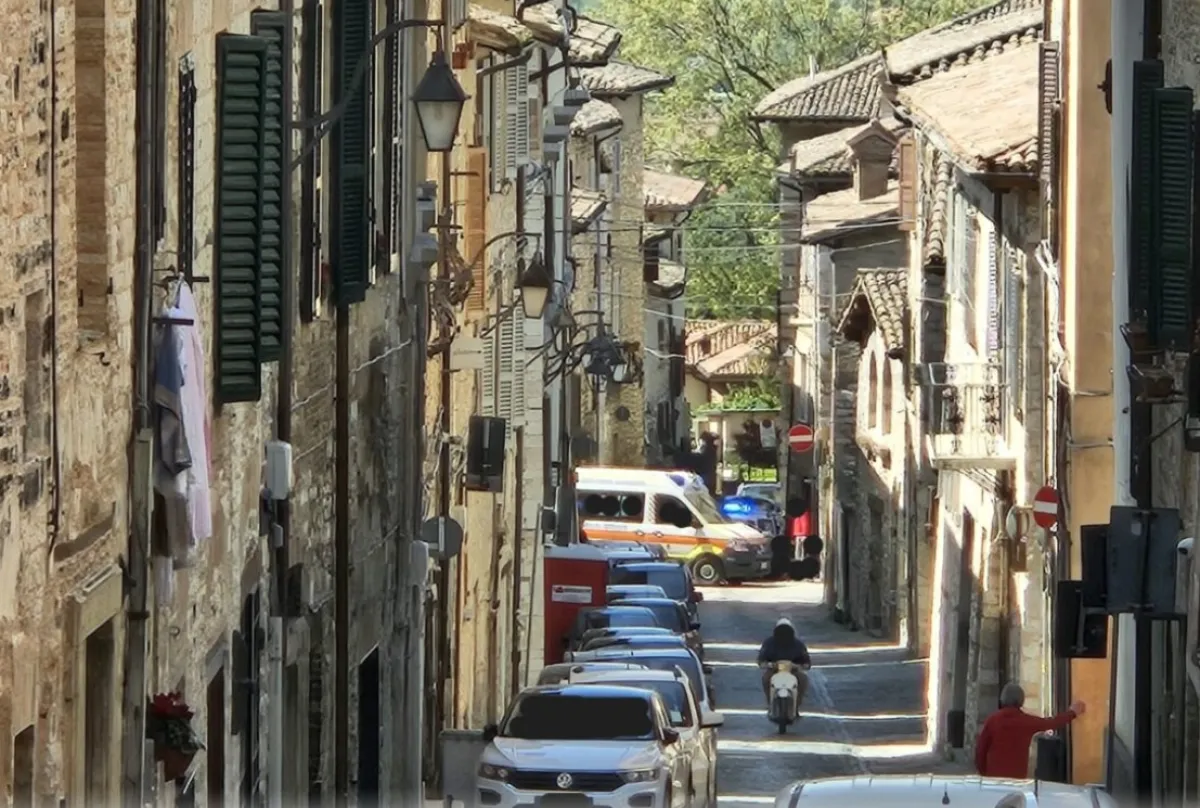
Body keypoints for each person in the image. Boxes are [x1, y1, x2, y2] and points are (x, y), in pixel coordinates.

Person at [975, 683, 1086, 778]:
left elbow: (981, 749)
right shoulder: (1026, 721)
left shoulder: (993, 720)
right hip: (1017, 777)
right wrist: (1072, 713)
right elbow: (1051, 722)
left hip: (994, 777)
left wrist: (984, 772)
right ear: (1021, 700)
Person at [756, 617, 811, 706]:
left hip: (793, 671)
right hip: (774, 670)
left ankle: (796, 705)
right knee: (766, 679)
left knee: (803, 679)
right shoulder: (769, 643)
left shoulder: (798, 644)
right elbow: (761, 660)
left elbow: (807, 663)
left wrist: (797, 666)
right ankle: (770, 703)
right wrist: (769, 665)